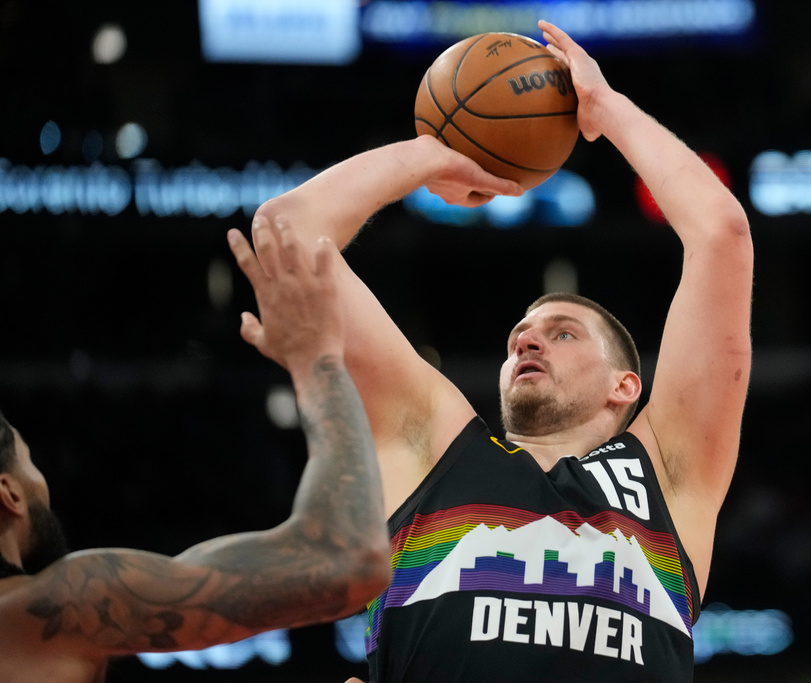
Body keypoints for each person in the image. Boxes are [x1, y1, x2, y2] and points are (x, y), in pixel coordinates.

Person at [255, 20, 753, 682]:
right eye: (521, 331)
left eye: (564, 330)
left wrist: (607, 110)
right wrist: (435, 155)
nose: (528, 335)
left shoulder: (670, 472)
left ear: (624, 387)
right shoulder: (432, 442)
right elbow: (288, 228)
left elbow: (721, 235)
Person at [0, 218, 392, 683]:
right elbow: (347, 560)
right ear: (10, 493)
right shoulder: (55, 606)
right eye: (31, 463)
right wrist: (317, 359)